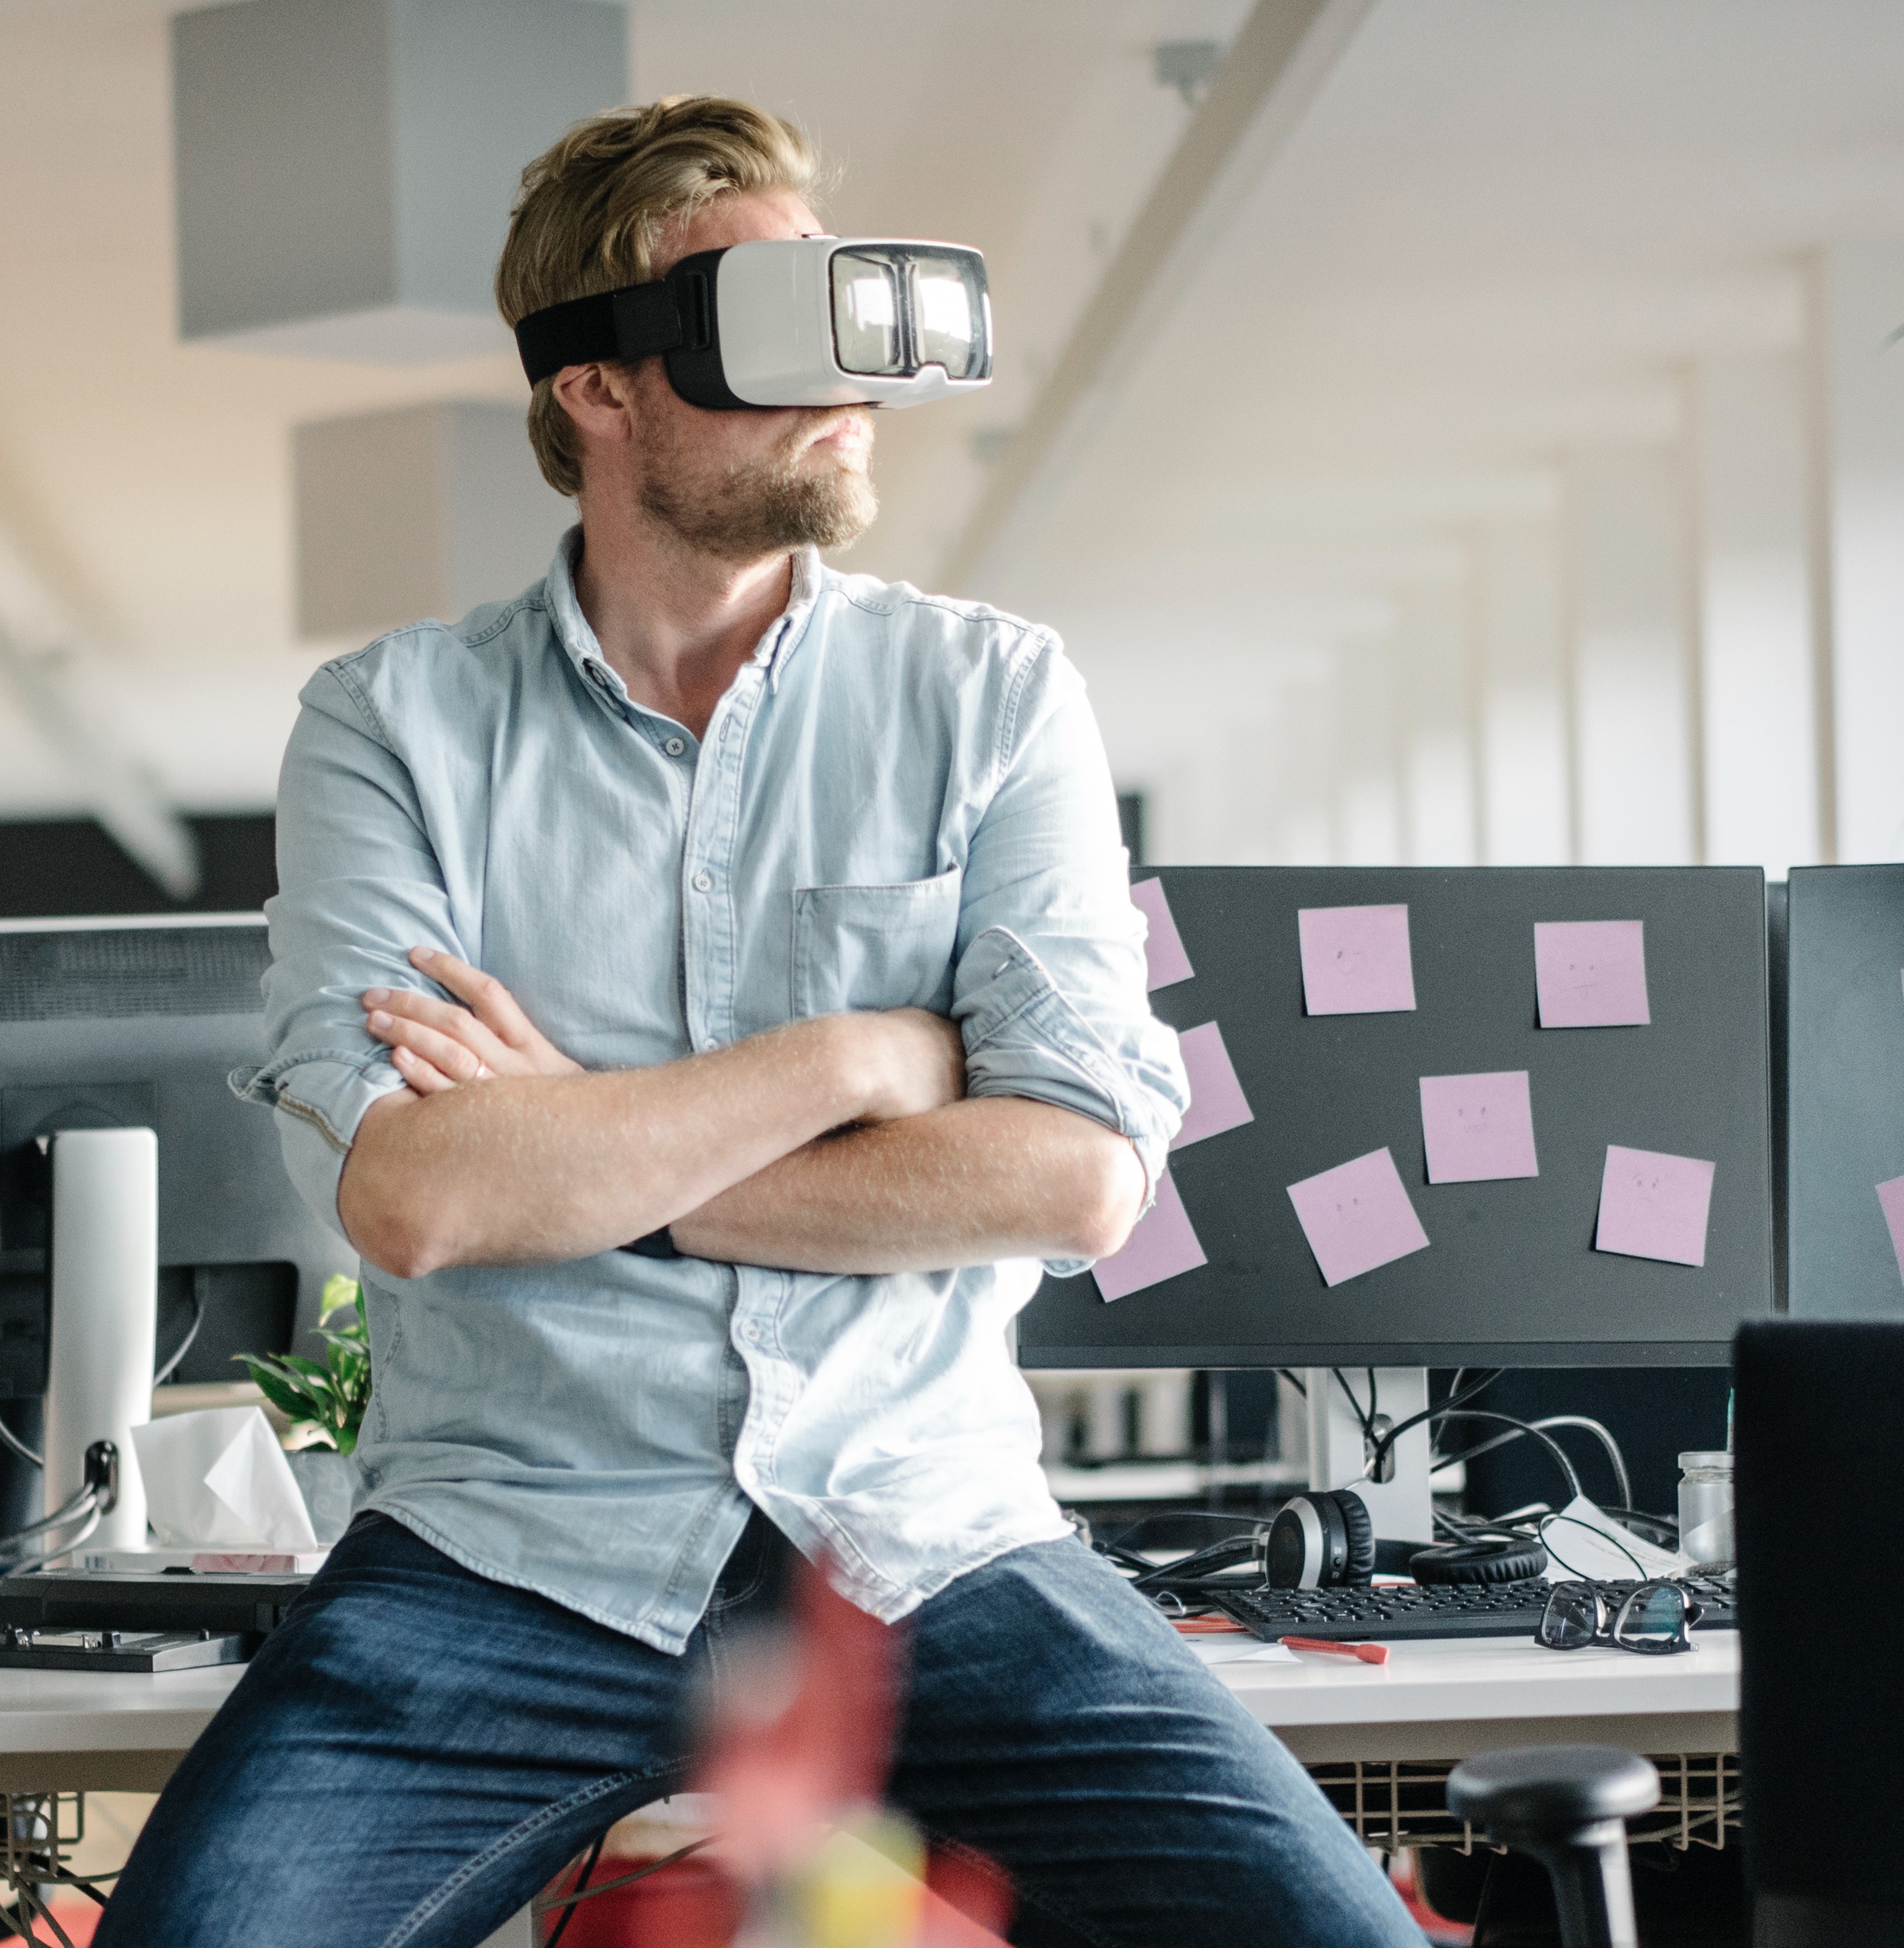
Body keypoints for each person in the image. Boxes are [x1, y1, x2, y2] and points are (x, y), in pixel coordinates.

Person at [105, 97, 1424, 1948]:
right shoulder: (393, 727)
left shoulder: (991, 696)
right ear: (601, 389)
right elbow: (413, 1201)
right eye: (768, 327)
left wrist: (584, 1143)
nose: (849, 389)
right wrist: (854, 1062)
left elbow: (1071, 1178)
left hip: (929, 1546)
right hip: (506, 1558)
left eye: (852, 325)